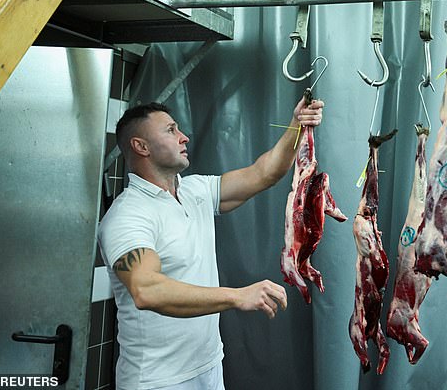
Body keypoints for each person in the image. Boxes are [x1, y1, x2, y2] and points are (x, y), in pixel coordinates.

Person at [97, 96, 324, 390]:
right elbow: (146, 289)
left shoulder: (195, 190)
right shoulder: (128, 215)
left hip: (209, 367)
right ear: (141, 146)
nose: (184, 137)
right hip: (157, 381)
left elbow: (264, 173)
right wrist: (236, 296)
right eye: (170, 130)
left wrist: (297, 124)